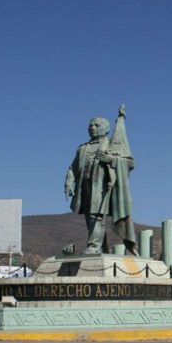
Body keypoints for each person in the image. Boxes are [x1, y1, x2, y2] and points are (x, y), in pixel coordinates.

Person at [64, 105, 138, 256]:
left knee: (96, 215)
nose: (92, 127)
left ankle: (94, 245)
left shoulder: (112, 144)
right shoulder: (82, 148)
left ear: (106, 129)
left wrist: (111, 159)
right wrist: (69, 182)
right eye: (90, 125)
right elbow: (73, 167)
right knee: (90, 217)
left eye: (96, 125)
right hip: (84, 185)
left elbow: (130, 163)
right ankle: (101, 247)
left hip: (103, 187)